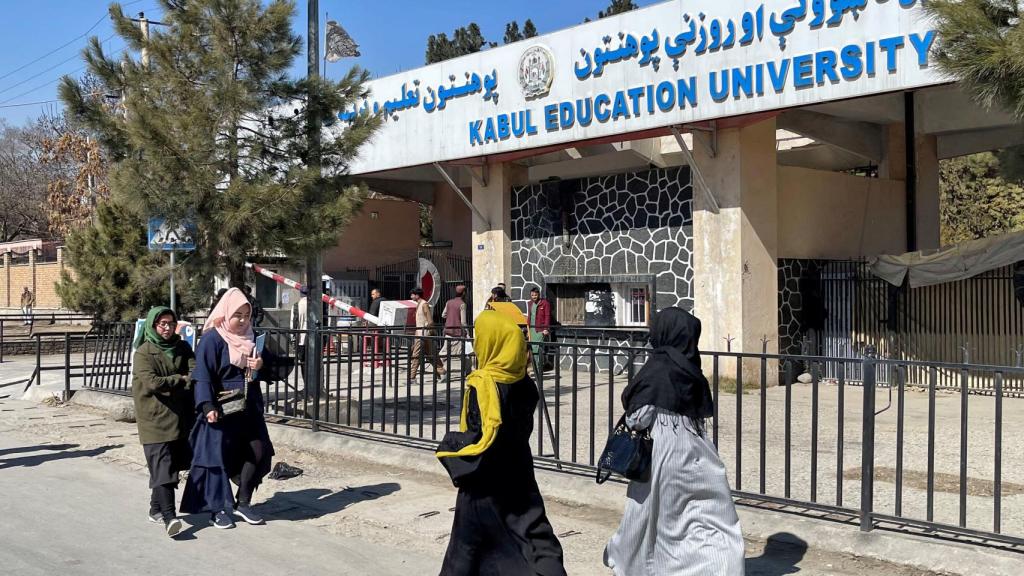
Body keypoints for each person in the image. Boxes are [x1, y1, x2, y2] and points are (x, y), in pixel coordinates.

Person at [604, 307, 745, 575]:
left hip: (663, 452)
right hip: (699, 452)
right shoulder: (691, 367)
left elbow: (639, 419)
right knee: (708, 514)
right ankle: (718, 566)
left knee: (654, 515)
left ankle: (642, 564)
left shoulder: (656, 368)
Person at [435, 311, 567, 576]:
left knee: (467, 550)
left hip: (485, 481)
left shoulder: (483, 385)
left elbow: (478, 438)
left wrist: (449, 446)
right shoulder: (524, 383)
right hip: (518, 470)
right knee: (529, 533)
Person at [181, 288, 275, 529]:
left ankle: (243, 502)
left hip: (249, 406)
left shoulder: (252, 337)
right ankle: (217, 508)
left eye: (247, 314)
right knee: (217, 459)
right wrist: (207, 405)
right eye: (237, 315)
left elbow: (272, 370)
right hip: (221, 407)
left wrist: (260, 365)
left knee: (258, 451)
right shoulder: (213, 339)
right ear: (225, 313)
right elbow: (202, 375)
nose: (243, 320)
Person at [131, 306, 195, 538]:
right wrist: (181, 379)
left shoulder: (182, 346)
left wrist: (179, 381)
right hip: (154, 419)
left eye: (170, 323)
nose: (167, 328)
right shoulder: (144, 353)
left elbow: (194, 372)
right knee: (164, 467)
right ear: (153, 325)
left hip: (179, 417)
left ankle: (155, 509)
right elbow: (153, 383)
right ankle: (170, 516)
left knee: (168, 466)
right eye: (162, 324)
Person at [409, 287, 445, 383]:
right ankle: (442, 373)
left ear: (417, 295)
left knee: (416, 355)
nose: (411, 296)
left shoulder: (424, 304)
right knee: (431, 355)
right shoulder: (419, 304)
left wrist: (431, 332)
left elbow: (429, 320)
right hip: (421, 334)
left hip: (424, 334)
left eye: (412, 294)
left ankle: (412, 377)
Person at [526, 286, 550, 377]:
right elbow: (529, 316)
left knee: (537, 350)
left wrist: (546, 329)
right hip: (531, 329)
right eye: (532, 295)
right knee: (532, 350)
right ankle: (535, 370)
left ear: (538, 294)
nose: (534, 297)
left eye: (535, 295)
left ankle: (539, 371)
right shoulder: (529, 303)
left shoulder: (545, 303)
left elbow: (547, 316)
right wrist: (527, 329)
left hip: (540, 330)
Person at [442, 284, 468, 363]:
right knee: (463, 353)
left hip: (448, 330)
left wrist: (451, 316)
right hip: (458, 332)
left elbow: (443, 315)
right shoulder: (462, 304)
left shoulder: (448, 302)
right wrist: (467, 332)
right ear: (464, 293)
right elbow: (463, 322)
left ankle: (439, 369)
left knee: (444, 353)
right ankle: (467, 371)